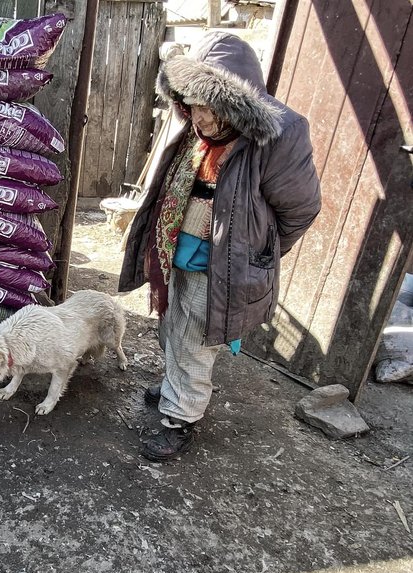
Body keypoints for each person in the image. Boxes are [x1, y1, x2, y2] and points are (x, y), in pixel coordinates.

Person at [118, 32, 321, 462]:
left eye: (209, 106)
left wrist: (257, 254)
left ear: (235, 103)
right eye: (191, 103)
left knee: (193, 339)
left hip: (219, 264)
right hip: (177, 249)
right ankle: (176, 387)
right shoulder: (197, 127)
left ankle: (180, 419)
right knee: (172, 326)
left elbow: (300, 210)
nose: (198, 116)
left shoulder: (281, 134)